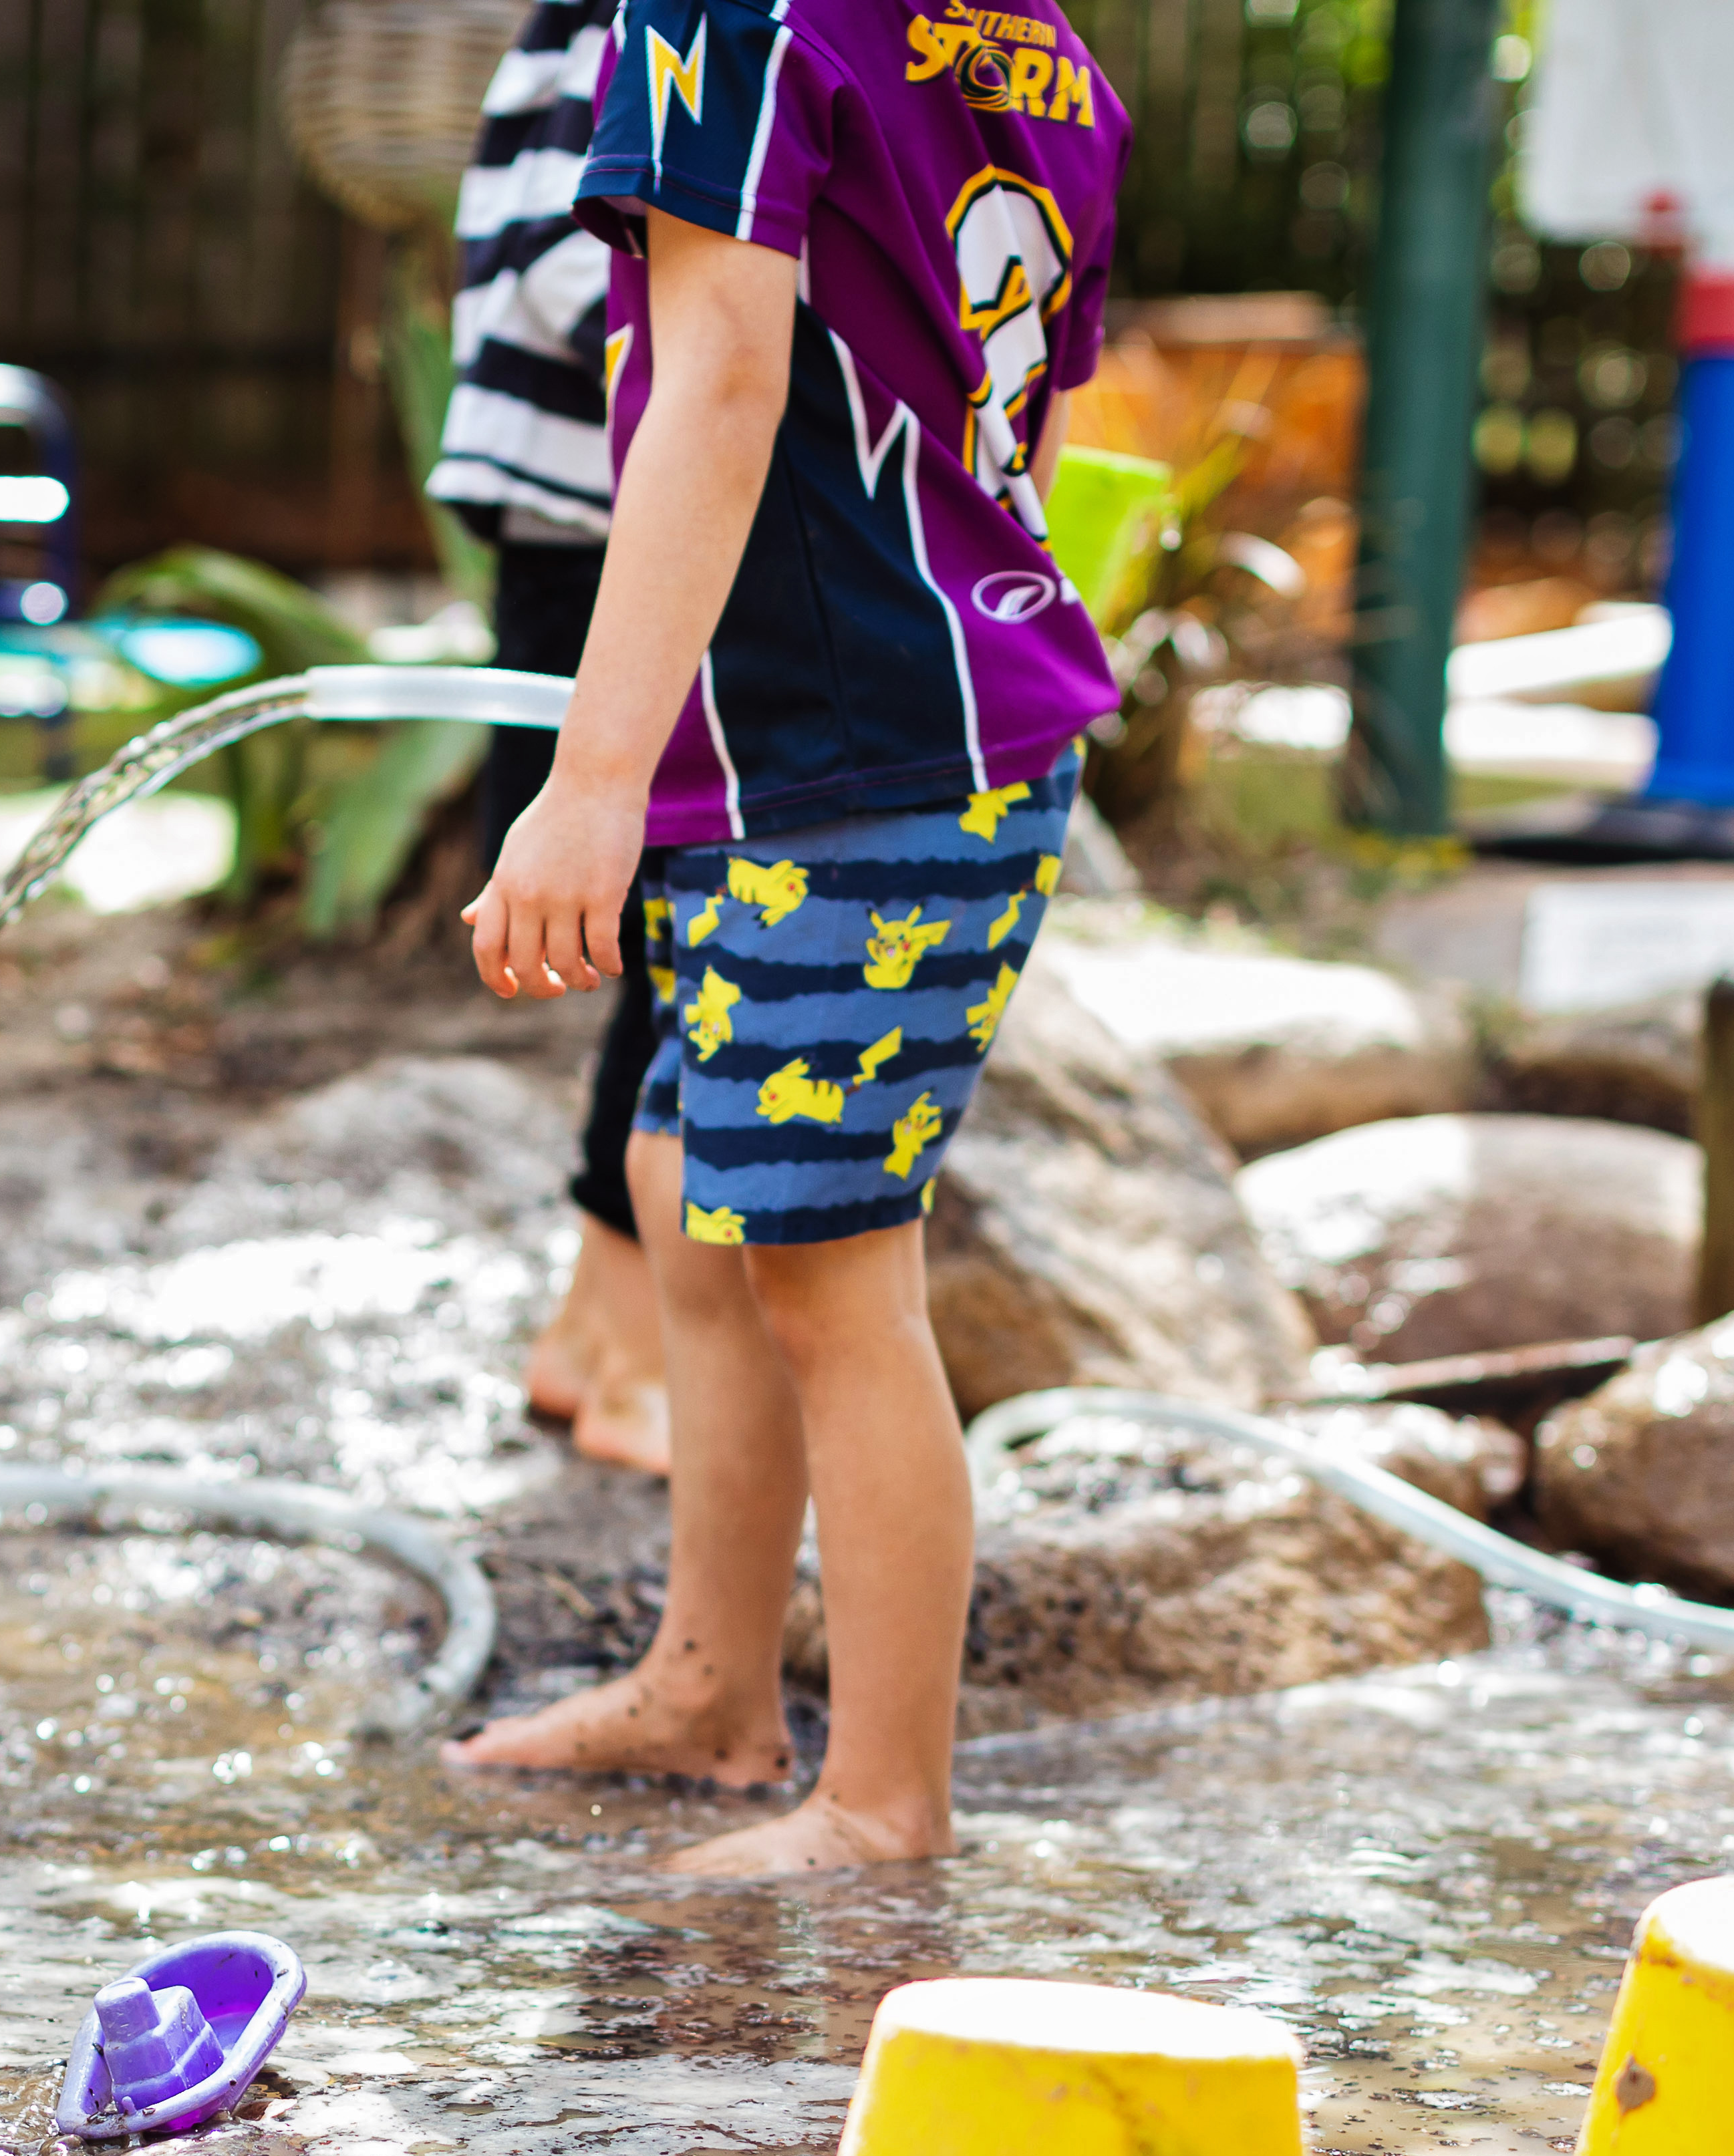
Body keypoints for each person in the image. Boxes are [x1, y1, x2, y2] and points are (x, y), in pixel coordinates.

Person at [446, 0, 1125, 1876]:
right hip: (895, 731)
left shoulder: (722, 15)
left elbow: (722, 374)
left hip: (851, 764)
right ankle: (710, 1685)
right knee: (678, 1173)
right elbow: (1035, 425)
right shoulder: (1038, 42)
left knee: (838, 1281)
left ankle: (886, 1796)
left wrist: (587, 787)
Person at [426, 0, 670, 1477]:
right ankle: (630, 1348)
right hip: (599, 542)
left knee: (670, 938)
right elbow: (566, 266)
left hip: (615, 533)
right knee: (673, 927)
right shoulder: (616, 23)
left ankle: (599, 1329)